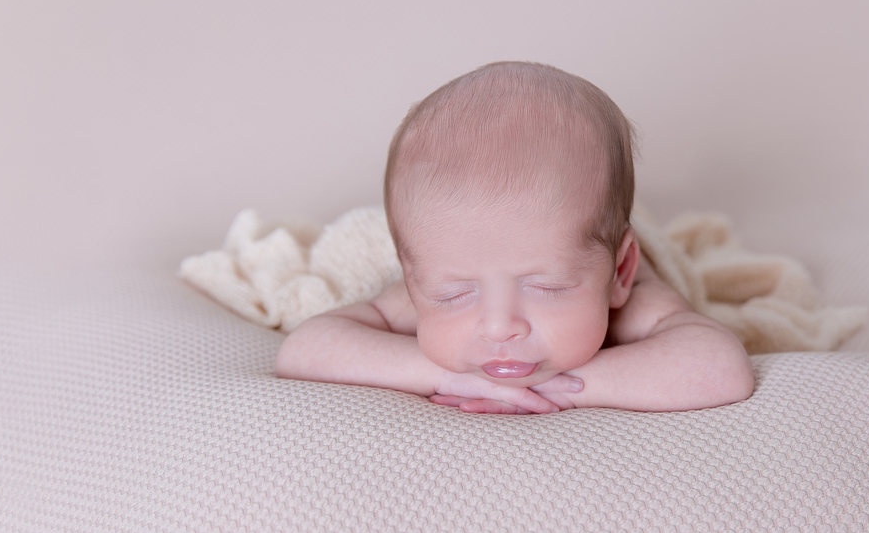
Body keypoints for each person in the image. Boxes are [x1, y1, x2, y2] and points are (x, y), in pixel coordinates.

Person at [275, 62, 754, 413]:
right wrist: (447, 375)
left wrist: (569, 385)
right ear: (415, 279)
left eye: (547, 287)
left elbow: (718, 368)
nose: (499, 326)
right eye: (454, 293)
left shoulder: (632, 302)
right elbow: (306, 349)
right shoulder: (436, 274)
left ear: (620, 273)